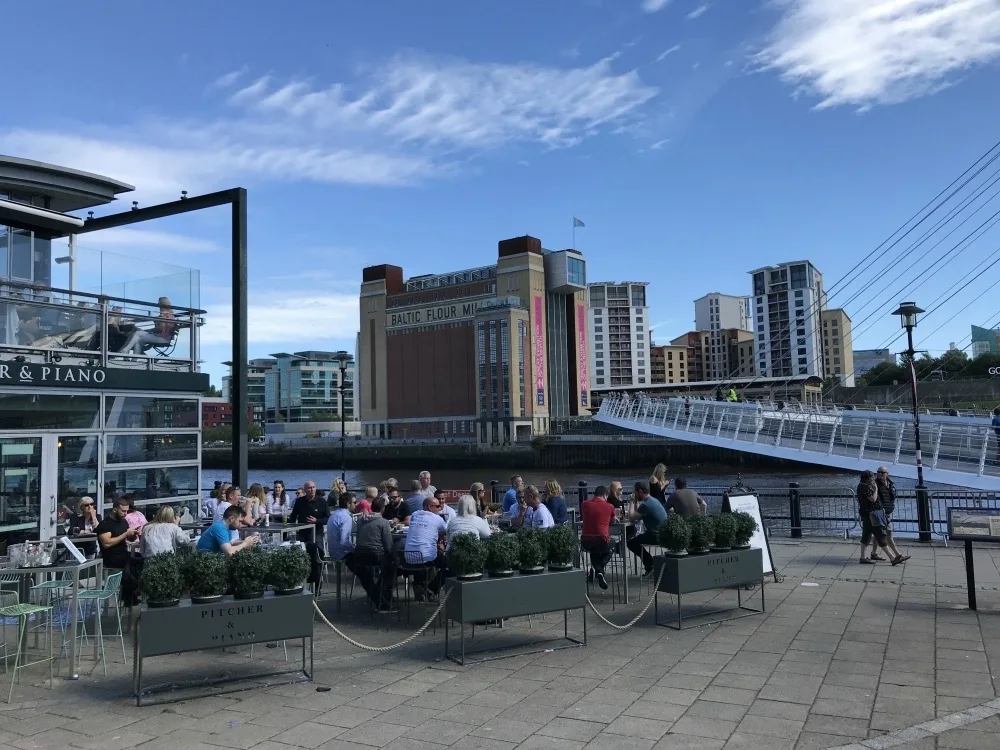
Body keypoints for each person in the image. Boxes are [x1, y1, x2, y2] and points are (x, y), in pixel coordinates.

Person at [857, 470, 909, 566]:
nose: (873, 478)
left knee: (866, 535)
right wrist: (876, 489)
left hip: (868, 514)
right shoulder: (864, 487)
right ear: (867, 478)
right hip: (872, 514)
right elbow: (873, 499)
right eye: (872, 477)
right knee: (880, 535)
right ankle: (892, 558)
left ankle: (863, 557)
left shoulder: (863, 485)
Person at [96, 497, 142, 603]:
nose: (126, 514)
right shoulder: (105, 524)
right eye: (123, 511)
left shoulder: (123, 521)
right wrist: (126, 534)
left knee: (141, 558)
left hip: (123, 553)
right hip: (111, 556)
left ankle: (131, 592)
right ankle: (128, 595)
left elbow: (126, 538)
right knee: (130, 563)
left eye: (127, 511)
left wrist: (133, 535)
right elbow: (106, 543)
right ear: (115, 509)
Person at [355, 495, 397, 611]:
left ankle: (378, 596)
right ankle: (384, 596)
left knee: (366, 574)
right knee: (392, 567)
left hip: (359, 554)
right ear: (383, 509)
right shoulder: (383, 522)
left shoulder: (360, 520)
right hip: (375, 554)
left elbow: (358, 538)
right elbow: (388, 545)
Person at [402, 496, 448, 600]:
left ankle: (418, 585)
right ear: (430, 507)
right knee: (450, 566)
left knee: (422, 552)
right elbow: (446, 530)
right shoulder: (437, 518)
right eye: (437, 506)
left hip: (408, 557)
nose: (440, 508)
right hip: (425, 557)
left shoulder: (415, 515)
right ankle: (431, 589)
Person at [626, 481, 666, 577]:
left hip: (655, 535)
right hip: (663, 533)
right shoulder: (653, 500)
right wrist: (635, 502)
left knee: (631, 543)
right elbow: (637, 516)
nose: (634, 494)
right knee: (636, 540)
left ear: (640, 491)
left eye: (635, 492)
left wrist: (632, 501)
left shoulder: (646, 505)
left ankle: (650, 565)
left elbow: (631, 518)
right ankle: (650, 565)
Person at [581, 485, 616, 590]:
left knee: (594, 550)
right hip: (602, 540)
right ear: (605, 495)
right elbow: (612, 521)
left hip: (586, 541)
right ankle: (599, 570)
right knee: (613, 545)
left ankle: (599, 572)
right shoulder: (610, 506)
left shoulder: (584, 504)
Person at [869, 467, 898, 560]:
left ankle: (874, 553)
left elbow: (891, 497)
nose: (880, 474)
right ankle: (897, 555)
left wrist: (891, 505)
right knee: (887, 534)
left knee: (879, 534)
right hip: (880, 512)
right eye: (878, 472)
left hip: (887, 512)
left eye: (882, 472)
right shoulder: (875, 484)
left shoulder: (890, 484)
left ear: (887, 473)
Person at [327, 493, 357, 565]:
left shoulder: (334, 515)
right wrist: (355, 549)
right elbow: (344, 542)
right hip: (342, 554)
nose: (356, 504)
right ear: (348, 504)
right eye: (355, 502)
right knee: (368, 557)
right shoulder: (346, 517)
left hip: (332, 552)